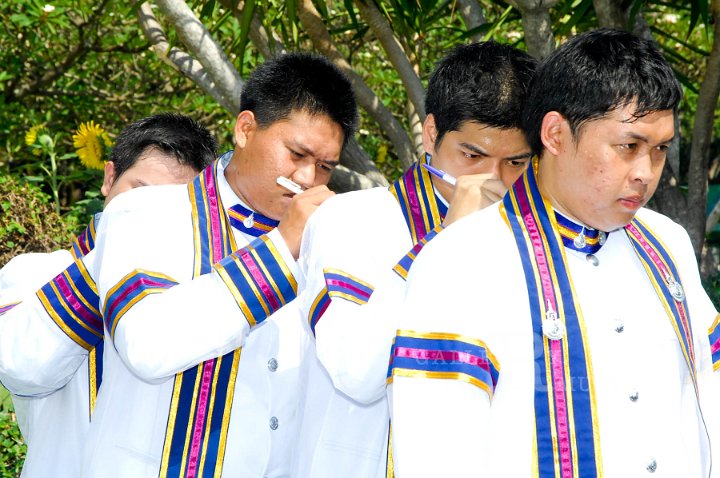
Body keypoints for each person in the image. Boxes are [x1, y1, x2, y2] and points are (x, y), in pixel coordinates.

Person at [388, 29, 720, 477]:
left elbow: (708, 397)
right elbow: (434, 456)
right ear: (556, 134)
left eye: (659, 150)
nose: (645, 172)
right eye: (629, 147)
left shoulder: (668, 242)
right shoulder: (464, 260)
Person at [80, 52, 357, 477]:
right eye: (296, 154)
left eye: (325, 166)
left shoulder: (326, 241)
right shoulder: (148, 211)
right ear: (245, 129)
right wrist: (282, 249)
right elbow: (146, 344)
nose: (306, 179)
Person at [293, 41, 536, 477]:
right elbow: (357, 371)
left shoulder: (532, 242)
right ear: (430, 133)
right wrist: (445, 241)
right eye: (472, 155)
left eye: (516, 162)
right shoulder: (349, 221)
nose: (493, 179)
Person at [0, 112, 217, 478]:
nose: (151, 213)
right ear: (109, 177)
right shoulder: (33, 273)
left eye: (175, 205)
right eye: (141, 192)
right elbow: (21, 368)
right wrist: (116, 255)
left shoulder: (202, 296)